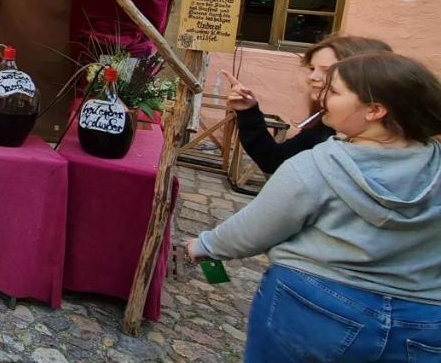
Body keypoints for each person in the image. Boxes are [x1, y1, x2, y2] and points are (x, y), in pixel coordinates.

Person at [188, 52, 441, 362]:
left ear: (374, 110)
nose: (323, 96)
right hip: (423, 320)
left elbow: (255, 229)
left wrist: (204, 246)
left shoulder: (317, 166)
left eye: (334, 92)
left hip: (316, 306)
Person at [224, 35, 392, 174]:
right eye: (312, 68)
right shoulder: (326, 122)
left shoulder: (385, 148)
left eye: (328, 71)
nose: (312, 77)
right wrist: (248, 112)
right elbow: (274, 161)